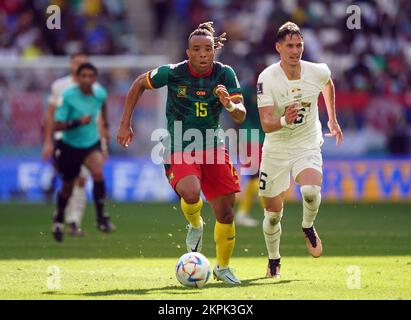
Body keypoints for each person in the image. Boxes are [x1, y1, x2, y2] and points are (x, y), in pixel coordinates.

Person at [117, 22, 247, 285]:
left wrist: (229, 104)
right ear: (188, 52)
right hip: (180, 145)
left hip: (213, 146)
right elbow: (138, 83)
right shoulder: (173, 73)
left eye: (207, 49)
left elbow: (241, 115)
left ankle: (223, 268)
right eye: (196, 49)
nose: (202, 54)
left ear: (214, 52)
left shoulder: (225, 74)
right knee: (190, 192)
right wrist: (124, 123)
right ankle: (196, 224)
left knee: (225, 214)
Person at [257, 22, 343, 278]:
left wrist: (332, 119)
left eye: (299, 45)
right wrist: (285, 120)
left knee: (309, 191)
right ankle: (274, 259)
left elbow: (328, 84)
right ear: (278, 47)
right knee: (273, 215)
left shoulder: (316, 71)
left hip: (307, 142)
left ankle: (307, 226)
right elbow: (266, 124)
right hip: (277, 148)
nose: (295, 51)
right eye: (290, 46)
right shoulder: (267, 78)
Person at [42, 52, 108, 236]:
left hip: (90, 142)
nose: (87, 78)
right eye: (76, 63)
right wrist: (48, 141)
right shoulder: (62, 89)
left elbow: (101, 116)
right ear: (72, 66)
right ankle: (60, 216)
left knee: (90, 176)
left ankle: (82, 221)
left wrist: (104, 141)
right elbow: (52, 117)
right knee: (68, 184)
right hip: (67, 142)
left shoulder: (99, 92)